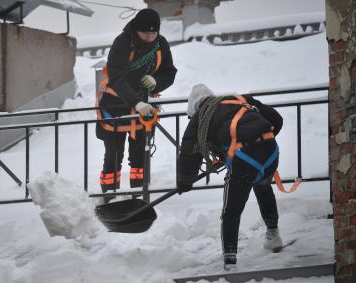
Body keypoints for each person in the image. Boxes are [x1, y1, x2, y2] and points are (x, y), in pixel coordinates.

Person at [177, 84, 284, 271]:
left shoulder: (200, 118)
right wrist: (261, 140)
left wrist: (184, 181)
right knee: (262, 184)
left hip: (244, 161)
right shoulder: (240, 99)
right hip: (270, 153)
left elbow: (189, 153)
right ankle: (273, 235)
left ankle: (230, 262)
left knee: (231, 211)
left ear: (193, 107)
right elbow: (276, 119)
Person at [96, 8, 177, 193]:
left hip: (144, 109)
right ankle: (109, 194)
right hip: (115, 106)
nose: (149, 37)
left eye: (153, 33)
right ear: (136, 30)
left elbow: (169, 72)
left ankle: (139, 195)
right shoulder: (123, 42)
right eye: (145, 33)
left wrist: (157, 82)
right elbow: (117, 78)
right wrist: (136, 103)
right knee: (113, 156)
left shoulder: (160, 43)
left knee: (140, 157)